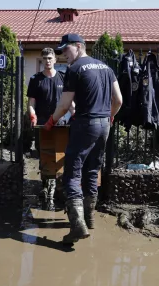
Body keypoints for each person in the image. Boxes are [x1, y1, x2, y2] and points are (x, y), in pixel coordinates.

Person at [44, 33, 123, 244]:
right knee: (91, 169)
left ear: (79, 46)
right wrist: (110, 116)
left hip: (85, 124)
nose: (63, 55)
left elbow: (63, 105)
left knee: (72, 170)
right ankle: (90, 218)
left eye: (66, 50)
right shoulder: (106, 68)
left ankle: (77, 224)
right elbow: (119, 100)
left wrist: (51, 122)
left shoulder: (75, 69)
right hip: (104, 125)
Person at [27, 47, 74, 210]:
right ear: (42, 60)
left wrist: (74, 114)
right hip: (42, 125)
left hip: (61, 124)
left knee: (60, 155)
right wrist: (32, 116)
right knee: (44, 155)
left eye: (50, 58)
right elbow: (31, 103)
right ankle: (46, 186)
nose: (47, 61)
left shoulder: (63, 77)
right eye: (45, 58)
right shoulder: (36, 79)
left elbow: (70, 102)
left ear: (55, 60)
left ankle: (59, 188)